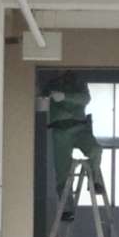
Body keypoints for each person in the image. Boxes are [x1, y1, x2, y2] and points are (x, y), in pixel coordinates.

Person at [42, 71, 103, 221]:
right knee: (62, 172)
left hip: (80, 129)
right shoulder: (52, 83)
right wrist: (51, 94)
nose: (68, 76)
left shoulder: (79, 84)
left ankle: (94, 181)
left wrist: (65, 97)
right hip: (60, 131)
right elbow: (41, 94)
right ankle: (66, 208)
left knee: (95, 149)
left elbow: (85, 98)